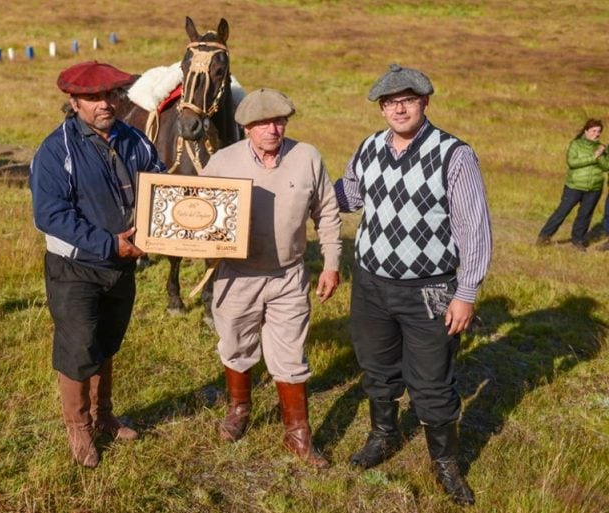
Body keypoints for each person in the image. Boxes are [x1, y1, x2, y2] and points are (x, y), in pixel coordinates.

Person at [334, 64, 492, 505]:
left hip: (431, 288)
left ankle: (446, 463)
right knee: (377, 368)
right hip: (370, 284)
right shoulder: (368, 148)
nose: (398, 108)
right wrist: (300, 194)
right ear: (381, 107)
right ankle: (383, 435)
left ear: (424, 102)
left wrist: (465, 293)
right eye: (389, 102)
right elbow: (349, 195)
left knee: (432, 382)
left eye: (407, 99)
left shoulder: (452, 154)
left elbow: (473, 228)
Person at [29, 61, 166, 468]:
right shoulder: (57, 149)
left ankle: (104, 415)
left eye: (111, 95)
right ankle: (79, 427)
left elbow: (160, 184)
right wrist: (109, 243)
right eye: (93, 97)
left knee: (107, 340)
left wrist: (158, 227)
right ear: (74, 102)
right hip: (76, 267)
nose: (105, 104)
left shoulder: (135, 140)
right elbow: (50, 214)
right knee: (77, 346)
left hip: (122, 264)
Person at [202, 88, 342, 469]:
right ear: (246, 127)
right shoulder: (222, 161)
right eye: (263, 123)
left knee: (291, 355)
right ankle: (239, 410)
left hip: (289, 275)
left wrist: (331, 262)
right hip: (237, 275)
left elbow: (327, 213)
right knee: (235, 343)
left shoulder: (306, 157)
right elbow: (199, 210)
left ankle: (298, 434)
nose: (272, 129)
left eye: (279, 120)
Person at [536, 119, 609, 251]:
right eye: (593, 131)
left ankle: (578, 240)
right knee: (562, 212)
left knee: (585, 215)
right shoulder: (576, 145)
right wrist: (594, 157)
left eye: (599, 131)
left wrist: (600, 155)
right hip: (574, 186)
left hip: (594, 188)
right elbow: (572, 162)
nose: (596, 134)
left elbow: (606, 167)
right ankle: (544, 236)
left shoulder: (601, 147)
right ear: (586, 131)